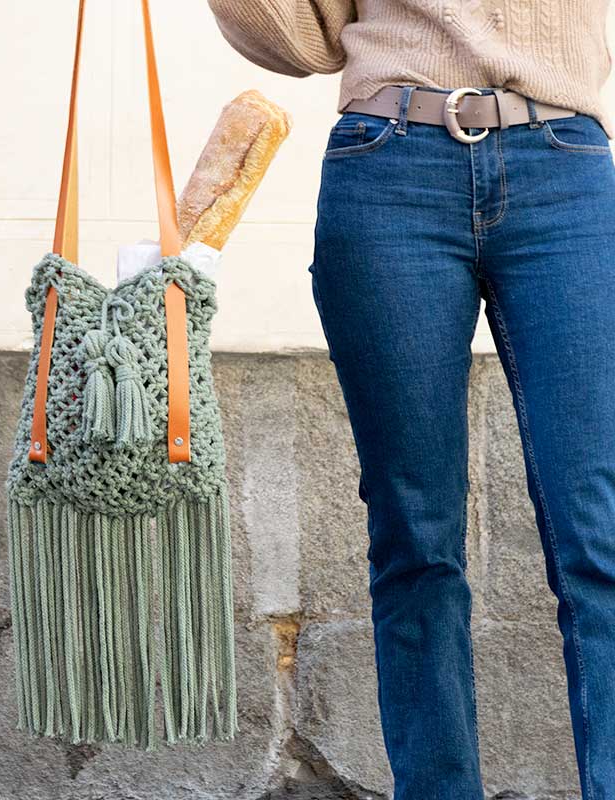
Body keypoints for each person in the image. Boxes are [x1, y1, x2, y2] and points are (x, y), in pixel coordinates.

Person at [206, 2, 615, 799]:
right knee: (414, 535)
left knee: (597, 533)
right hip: (390, 166)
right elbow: (306, 37)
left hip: (563, 167)